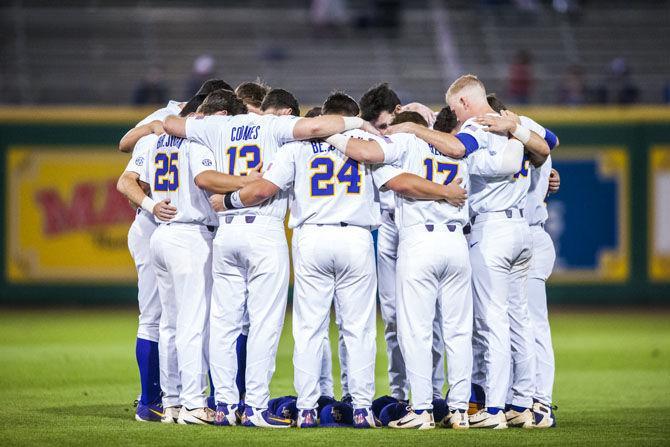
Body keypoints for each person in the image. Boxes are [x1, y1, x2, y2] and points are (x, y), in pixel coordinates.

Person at [210, 92, 467, 429]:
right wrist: (445, 190)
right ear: (351, 116)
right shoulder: (365, 143)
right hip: (356, 238)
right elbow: (397, 182)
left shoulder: (296, 147)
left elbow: (262, 190)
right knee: (358, 329)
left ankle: (305, 408)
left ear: (326, 116)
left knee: (309, 330)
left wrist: (228, 201)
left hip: (312, 237)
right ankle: (360, 407)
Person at [162, 88, 380, 428]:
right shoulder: (276, 128)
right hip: (268, 229)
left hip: (228, 230)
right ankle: (257, 408)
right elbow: (310, 131)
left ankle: (224, 405)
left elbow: (172, 125)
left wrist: (192, 118)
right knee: (271, 324)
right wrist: (358, 122)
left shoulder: (217, 127)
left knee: (224, 324)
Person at [116, 89, 255, 425]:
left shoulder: (158, 138)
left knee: (169, 324)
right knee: (194, 324)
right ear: (217, 116)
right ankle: (194, 404)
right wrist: (250, 181)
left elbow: (129, 172)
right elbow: (205, 180)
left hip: (162, 235)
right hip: (191, 234)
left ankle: (173, 402)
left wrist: (150, 205)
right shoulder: (198, 140)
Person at [445, 74, 549, 429]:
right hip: (521, 229)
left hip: (493, 230)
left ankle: (493, 410)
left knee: (493, 322)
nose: (455, 115)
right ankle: (524, 402)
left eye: (454, 108)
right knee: (519, 320)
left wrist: (510, 134)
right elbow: (549, 143)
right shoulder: (518, 121)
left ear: (462, 103)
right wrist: (517, 129)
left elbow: (502, 163)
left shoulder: (476, 127)